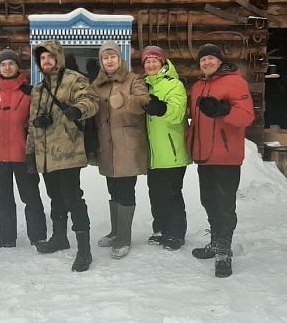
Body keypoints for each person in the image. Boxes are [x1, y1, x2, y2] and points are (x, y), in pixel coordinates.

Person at [26, 40, 99, 272]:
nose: (46, 61)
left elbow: (91, 100)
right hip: (46, 156)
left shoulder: (74, 80)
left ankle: (84, 250)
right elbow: (31, 125)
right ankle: (59, 237)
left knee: (72, 198)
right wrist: (30, 152)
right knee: (54, 197)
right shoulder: (37, 90)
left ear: (58, 57)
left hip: (68, 152)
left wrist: (78, 109)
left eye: (50, 57)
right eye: (42, 58)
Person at [187, 43, 254, 278]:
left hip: (226, 157)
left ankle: (224, 251)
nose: (206, 63)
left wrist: (223, 110)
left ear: (219, 61)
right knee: (209, 201)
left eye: (211, 59)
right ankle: (216, 242)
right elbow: (195, 123)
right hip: (204, 156)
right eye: (203, 60)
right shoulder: (197, 86)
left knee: (225, 205)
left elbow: (247, 116)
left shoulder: (235, 82)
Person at [0, 49, 47, 248]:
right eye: (3, 65)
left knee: (30, 196)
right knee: (4, 199)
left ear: (17, 67)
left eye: (11, 64)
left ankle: (38, 236)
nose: (7, 68)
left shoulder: (29, 92)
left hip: (23, 153)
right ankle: (7, 237)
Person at [91, 41, 148, 259]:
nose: (109, 61)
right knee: (113, 189)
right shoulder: (97, 85)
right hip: (106, 146)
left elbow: (144, 102)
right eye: (105, 58)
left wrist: (125, 100)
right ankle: (115, 232)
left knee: (125, 191)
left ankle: (124, 238)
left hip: (128, 146)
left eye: (113, 56)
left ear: (120, 58)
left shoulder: (134, 79)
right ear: (101, 61)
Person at [140, 46, 191, 251]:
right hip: (153, 153)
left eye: (154, 60)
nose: (151, 64)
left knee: (171, 194)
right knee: (156, 193)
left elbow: (177, 113)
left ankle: (176, 234)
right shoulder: (144, 86)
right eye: (147, 61)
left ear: (162, 63)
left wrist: (161, 108)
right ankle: (160, 229)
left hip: (172, 151)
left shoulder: (174, 85)